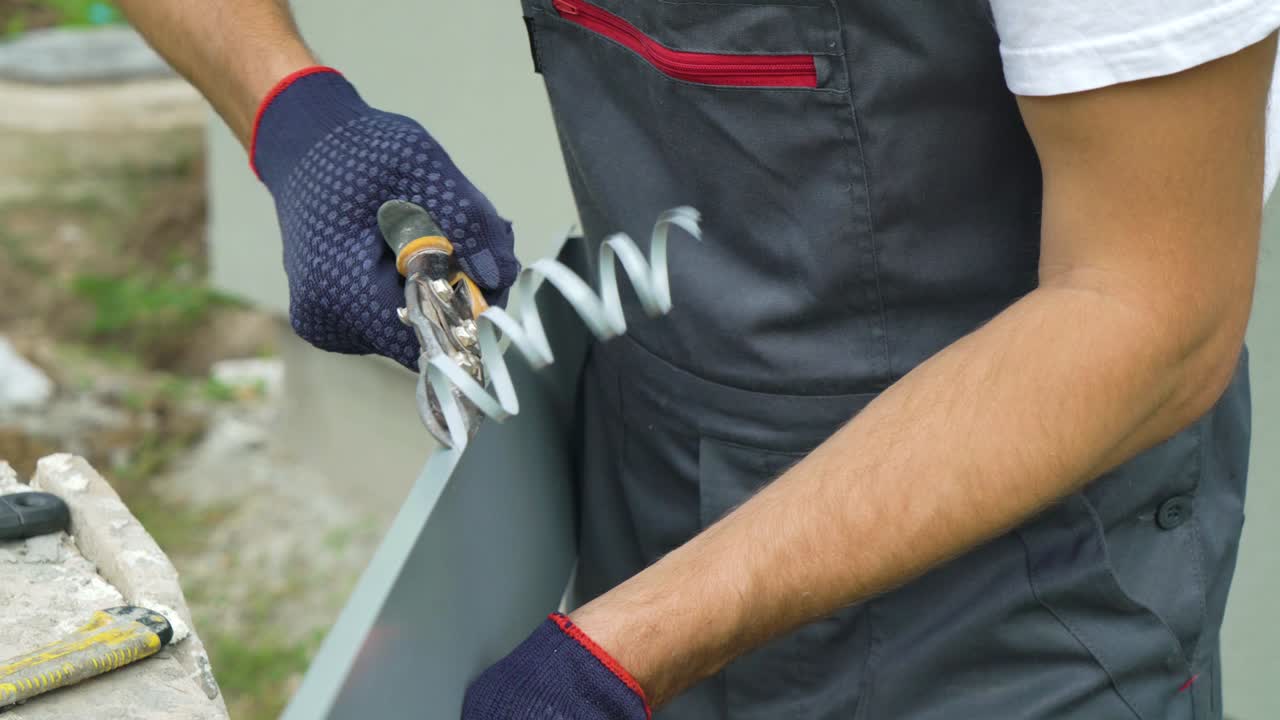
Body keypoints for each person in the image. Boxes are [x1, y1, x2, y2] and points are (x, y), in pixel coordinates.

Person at [115, 1, 1278, 718]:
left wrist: (619, 652)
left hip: (1012, 604)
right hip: (652, 495)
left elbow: (1148, 308)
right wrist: (293, 110)